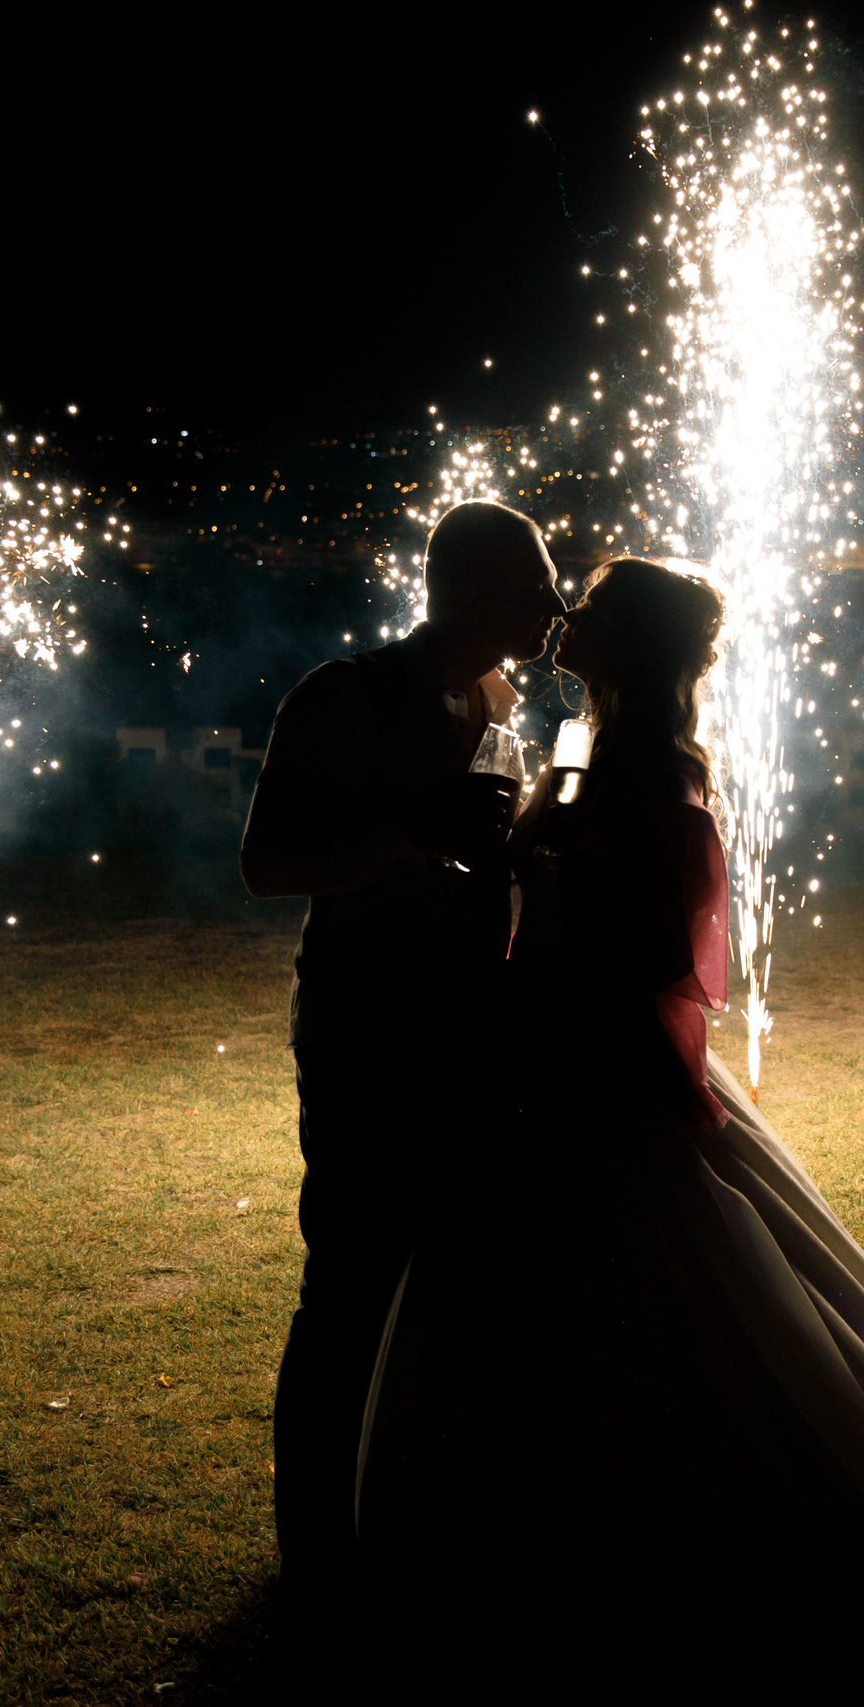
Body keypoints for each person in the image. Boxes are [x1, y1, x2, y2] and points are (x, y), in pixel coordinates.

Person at [355, 558, 864, 1678]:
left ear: (634, 649)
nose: (570, 617)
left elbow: (662, 955)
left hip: (594, 1068)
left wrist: (565, 942)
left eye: (598, 612)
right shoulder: (585, 749)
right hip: (536, 1060)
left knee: (659, 1293)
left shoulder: (657, 777)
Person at [239, 500, 568, 1621]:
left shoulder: (500, 702)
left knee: (454, 1296)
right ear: (469, 590)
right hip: (368, 1039)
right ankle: (316, 1555)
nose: (556, 604)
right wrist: (411, 832)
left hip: (474, 1040)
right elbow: (266, 862)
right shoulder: (344, 696)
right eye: (536, 584)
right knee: (348, 1292)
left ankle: (419, 1523)